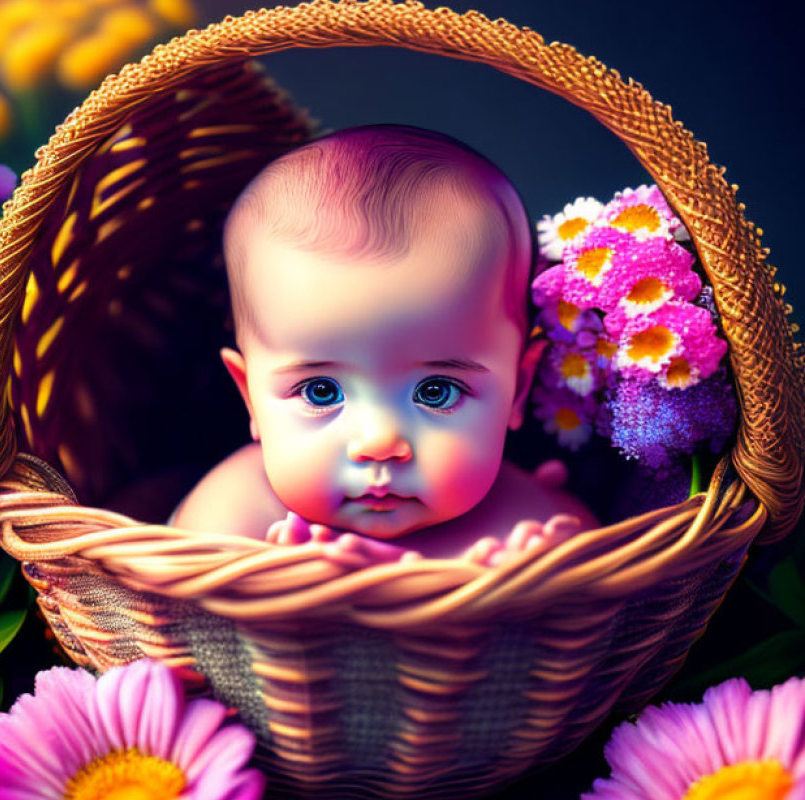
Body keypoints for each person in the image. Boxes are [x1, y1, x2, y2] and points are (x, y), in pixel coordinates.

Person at [171, 125, 597, 565]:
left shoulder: (526, 526)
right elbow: (168, 598)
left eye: (436, 391)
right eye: (321, 390)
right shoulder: (236, 515)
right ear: (251, 397)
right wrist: (263, 594)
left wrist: (537, 587)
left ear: (518, 388)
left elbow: (605, 599)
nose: (379, 441)